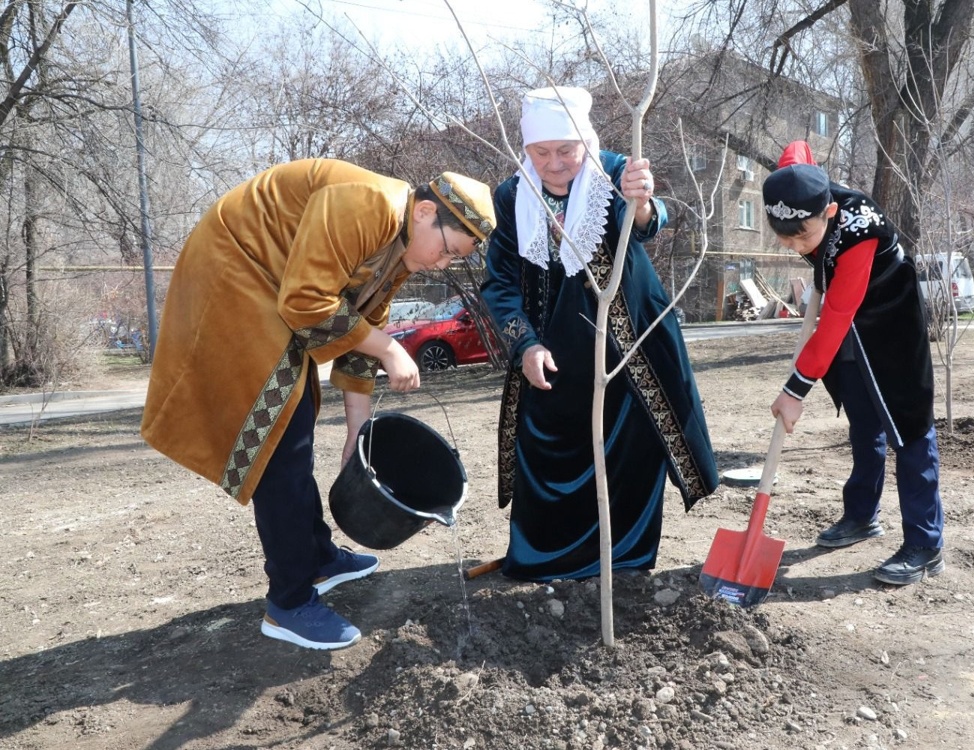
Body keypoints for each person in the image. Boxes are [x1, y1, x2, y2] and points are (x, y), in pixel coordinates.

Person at [141, 159, 495, 648]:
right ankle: (288, 602)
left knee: (296, 421)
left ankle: (317, 557)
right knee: (278, 442)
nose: (442, 264)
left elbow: (360, 329)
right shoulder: (366, 204)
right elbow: (307, 305)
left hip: (275, 291)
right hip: (237, 275)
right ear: (425, 212)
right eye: (448, 250)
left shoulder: (397, 249)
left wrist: (358, 433)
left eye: (453, 261)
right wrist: (392, 349)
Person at [480, 86, 718, 581]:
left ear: (584, 142)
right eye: (540, 152)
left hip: (628, 347)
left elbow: (651, 223)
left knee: (630, 450)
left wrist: (643, 199)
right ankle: (543, 559)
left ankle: (623, 559)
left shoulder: (612, 172)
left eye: (565, 150)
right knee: (542, 446)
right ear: (525, 149)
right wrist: (524, 343)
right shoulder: (511, 195)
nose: (554, 163)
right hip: (551, 352)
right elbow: (499, 283)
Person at [763, 141, 945, 586]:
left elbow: (837, 316)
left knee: (908, 427)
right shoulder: (798, 193)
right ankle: (861, 516)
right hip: (850, 329)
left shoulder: (859, 235)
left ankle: (925, 544)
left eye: (801, 237)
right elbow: (796, 153)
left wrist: (794, 391)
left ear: (827, 214)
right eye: (785, 238)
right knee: (864, 422)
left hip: (888, 318)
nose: (794, 246)